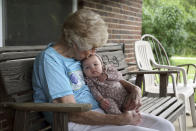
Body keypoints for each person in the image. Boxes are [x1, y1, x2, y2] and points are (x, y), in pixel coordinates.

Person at [32, 9, 175, 131]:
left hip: (101, 112)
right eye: (91, 47)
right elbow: (71, 112)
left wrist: (134, 89)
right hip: (77, 124)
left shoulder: (78, 55)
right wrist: (118, 120)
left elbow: (107, 77)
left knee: (165, 126)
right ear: (74, 43)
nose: (93, 53)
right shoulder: (50, 60)